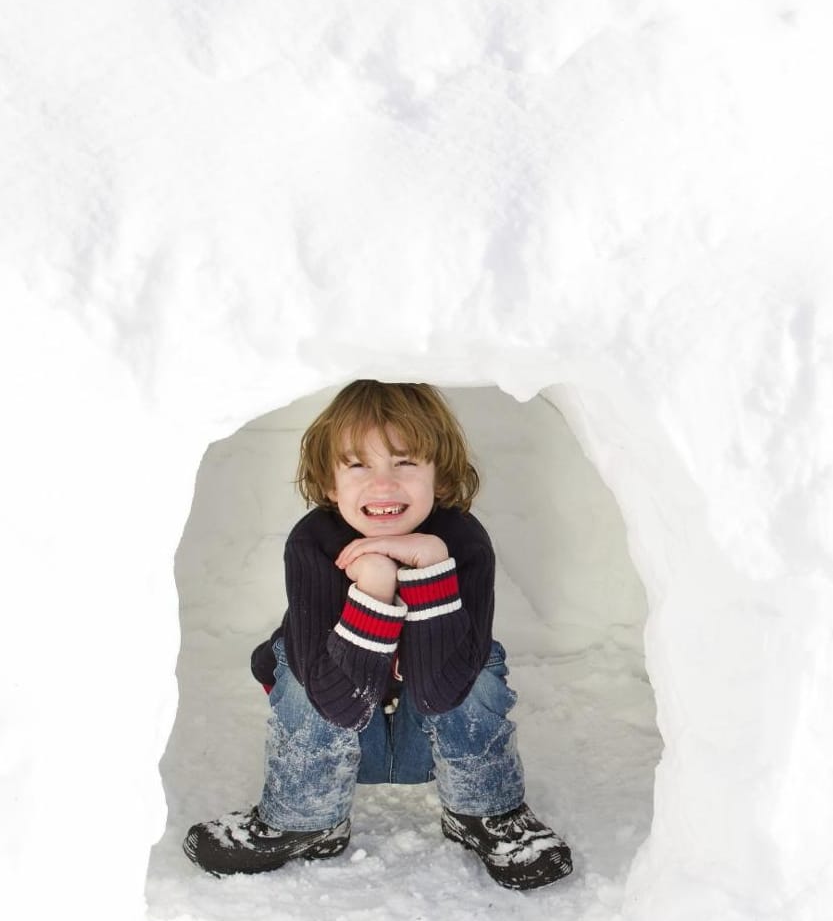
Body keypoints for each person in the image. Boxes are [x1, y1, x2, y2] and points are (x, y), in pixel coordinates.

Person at [183, 380, 573, 890]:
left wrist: (431, 567)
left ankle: (484, 811)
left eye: (405, 462)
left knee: (478, 664)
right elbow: (338, 703)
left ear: (441, 474)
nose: (383, 485)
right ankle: (304, 818)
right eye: (358, 464)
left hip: (428, 738)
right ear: (329, 484)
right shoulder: (313, 544)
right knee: (297, 661)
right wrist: (375, 589)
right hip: (341, 731)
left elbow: (442, 691)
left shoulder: (463, 543)